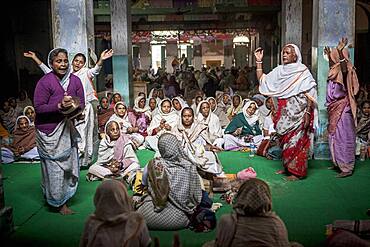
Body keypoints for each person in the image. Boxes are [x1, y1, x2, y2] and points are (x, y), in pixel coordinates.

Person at [34, 48, 85, 215]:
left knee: (69, 165)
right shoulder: (44, 82)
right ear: (51, 63)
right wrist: (59, 106)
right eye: (58, 61)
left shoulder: (75, 81)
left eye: (65, 61)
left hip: (67, 129)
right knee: (54, 168)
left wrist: (74, 107)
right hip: (49, 132)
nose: (63, 64)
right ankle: (57, 202)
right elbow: (39, 108)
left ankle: (63, 196)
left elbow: (82, 102)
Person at [255, 44, 317, 181]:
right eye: (283, 52)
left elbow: (310, 94)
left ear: (295, 56)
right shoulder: (279, 71)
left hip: (300, 113)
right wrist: (259, 61)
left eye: (288, 53)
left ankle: (297, 173)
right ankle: (288, 168)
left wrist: (307, 112)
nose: (284, 55)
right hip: (284, 115)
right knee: (285, 141)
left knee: (297, 142)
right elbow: (262, 80)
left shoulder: (302, 71)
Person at [136, 133, 203, 230]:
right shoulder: (189, 166)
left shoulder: (154, 164)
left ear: (160, 148)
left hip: (149, 217)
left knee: (144, 201)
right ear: (177, 146)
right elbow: (196, 197)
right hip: (179, 219)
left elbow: (144, 185)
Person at [208, 178, 297, 247]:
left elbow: (221, 244)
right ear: (267, 199)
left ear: (241, 196)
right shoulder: (276, 223)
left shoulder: (228, 221)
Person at [324, 37, 359, 177]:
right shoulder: (334, 70)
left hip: (343, 109)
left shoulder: (346, 70)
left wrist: (339, 50)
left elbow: (343, 69)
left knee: (343, 137)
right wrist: (330, 55)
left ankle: (346, 168)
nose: (332, 60)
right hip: (334, 108)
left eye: (334, 56)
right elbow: (334, 66)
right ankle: (337, 163)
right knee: (334, 136)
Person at [80, 179, 151, 247]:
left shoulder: (92, 222)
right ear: (124, 196)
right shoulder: (137, 221)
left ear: (98, 198)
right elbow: (146, 244)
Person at [172, 107, 224, 176]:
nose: (187, 118)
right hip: (181, 153)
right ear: (181, 117)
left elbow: (203, 145)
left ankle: (219, 176)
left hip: (198, 152)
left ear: (193, 117)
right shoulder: (176, 129)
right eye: (184, 116)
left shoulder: (199, 128)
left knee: (210, 156)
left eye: (189, 116)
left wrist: (210, 147)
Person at [87, 120, 140, 185]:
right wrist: (110, 167)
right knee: (92, 168)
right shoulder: (104, 143)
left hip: (122, 168)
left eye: (117, 129)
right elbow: (101, 161)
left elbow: (132, 159)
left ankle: (115, 177)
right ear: (107, 132)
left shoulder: (125, 141)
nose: (115, 132)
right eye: (112, 130)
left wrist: (120, 165)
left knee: (135, 165)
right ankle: (121, 177)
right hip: (108, 169)